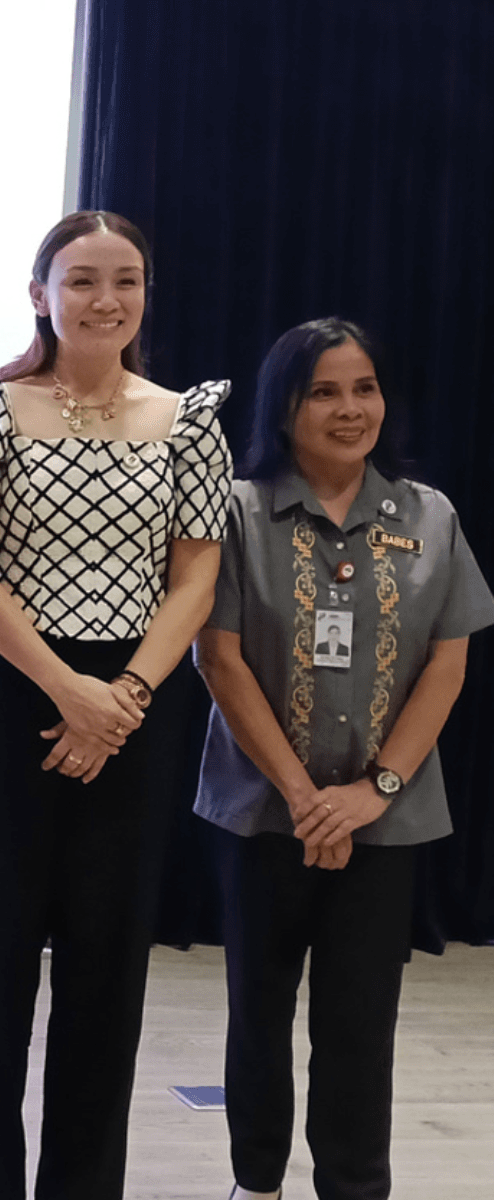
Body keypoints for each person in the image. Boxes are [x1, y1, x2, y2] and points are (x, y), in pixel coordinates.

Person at [0, 210, 233, 1200]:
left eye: (125, 280)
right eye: (82, 280)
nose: (105, 299)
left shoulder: (187, 418)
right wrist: (67, 689)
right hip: (8, 692)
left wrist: (127, 694)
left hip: (137, 708)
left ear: (146, 293)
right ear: (41, 294)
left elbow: (195, 578)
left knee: (108, 970)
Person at [193, 319, 490, 1200]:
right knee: (257, 1010)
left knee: (361, 1023)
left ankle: (355, 1188)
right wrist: (301, 795)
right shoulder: (237, 512)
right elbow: (219, 659)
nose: (349, 408)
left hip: (385, 821)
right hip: (261, 813)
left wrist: (374, 790)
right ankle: (256, 1182)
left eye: (364, 388)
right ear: (284, 407)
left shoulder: (430, 515)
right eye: (323, 391)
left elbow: (447, 664)